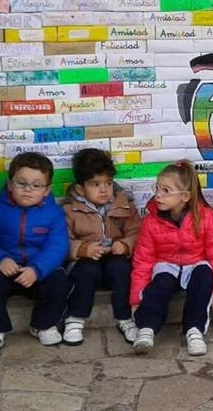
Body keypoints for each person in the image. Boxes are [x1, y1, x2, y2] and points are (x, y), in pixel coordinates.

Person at [0, 152, 71, 358]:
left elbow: (58, 246)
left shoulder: (54, 213)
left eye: (36, 185)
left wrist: (38, 269)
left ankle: (42, 325)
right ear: (10, 184)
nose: (28, 189)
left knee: (60, 282)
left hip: (35, 273)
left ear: (46, 190)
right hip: (4, 270)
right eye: (22, 183)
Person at [130, 161, 213, 356]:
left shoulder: (205, 217)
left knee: (204, 274)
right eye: (157, 188)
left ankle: (194, 331)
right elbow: (143, 261)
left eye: (166, 190)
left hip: (195, 264)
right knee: (161, 283)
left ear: (185, 196)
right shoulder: (151, 221)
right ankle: (146, 329)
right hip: (167, 266)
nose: (158, 195)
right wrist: (136, 297)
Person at [62, 148, 141, 345]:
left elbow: (137, 231)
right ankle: (75, 318)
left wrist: (124, 245)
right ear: (81, 189)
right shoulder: (70, 209)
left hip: (114, 257)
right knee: (87, 270)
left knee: (121, 268)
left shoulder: (124, 204)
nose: (104, 189)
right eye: (95, 184)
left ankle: (125, 318)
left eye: (108, 183)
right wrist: (82, 249)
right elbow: (62, 240)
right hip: (86, 261)